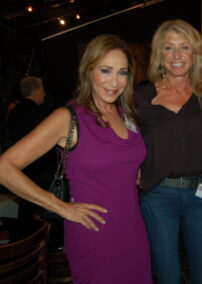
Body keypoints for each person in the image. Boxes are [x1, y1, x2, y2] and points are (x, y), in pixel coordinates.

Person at [0, 34, 152, 284]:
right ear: (88, 70)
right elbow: (5, 167)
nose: (114, 82)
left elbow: (122, 158)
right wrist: (58, 206)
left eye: (122, 72)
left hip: (133, 228)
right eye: (106, 70)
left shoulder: (126, 113)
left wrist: (132, 169)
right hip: (95, 233)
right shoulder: (68, 117)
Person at [135, 19, 202, 284]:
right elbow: (122, 138)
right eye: (169, 48)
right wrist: (131, 166)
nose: (177, 56)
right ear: (159, 54)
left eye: (185, 47)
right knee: (167, 272)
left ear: (195, 54)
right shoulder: (141, 96)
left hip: (201, 196)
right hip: (158, 195)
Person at [5, 76, 56, 219]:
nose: (44, 94)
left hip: (21, 171)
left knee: (25, 212)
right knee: (50, 213)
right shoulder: (44, 114)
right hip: (43, 172)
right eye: (43, 90)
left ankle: (23, 238)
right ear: (36, 90)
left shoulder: (14, 112)